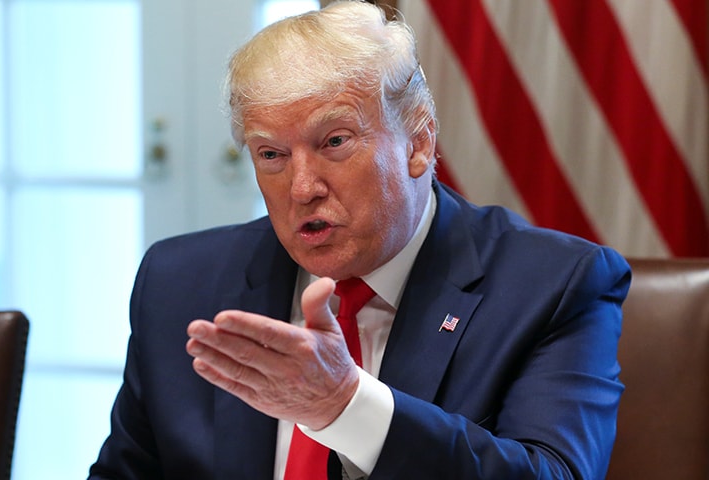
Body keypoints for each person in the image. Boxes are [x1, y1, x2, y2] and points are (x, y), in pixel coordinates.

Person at [88, 1, 630, 479]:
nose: (302, 187)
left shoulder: (554, 286)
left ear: (418, 142)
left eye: (335, 141)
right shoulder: (180, 280)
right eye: (271, 155)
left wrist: (345, 407)